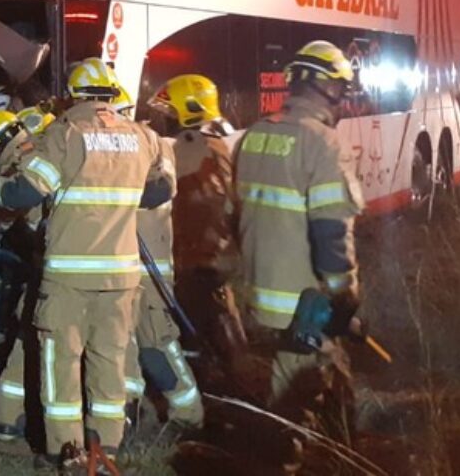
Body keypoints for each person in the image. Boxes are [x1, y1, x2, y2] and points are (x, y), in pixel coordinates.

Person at [0, 58, 173, 472]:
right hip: (120, 277)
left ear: (73, 96)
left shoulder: (65, 135)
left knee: (60, 365)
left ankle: (64, 451)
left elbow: (23, 194)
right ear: (112, 95)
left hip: (68, 279)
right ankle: (107, 451)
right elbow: (159, 192)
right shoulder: (143, 137)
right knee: (109, 363)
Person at [233, 41, 362, 423]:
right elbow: (331, 232)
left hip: (261, 292)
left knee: (330, 367)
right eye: (341, 88)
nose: (342, 99)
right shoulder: (323, 144)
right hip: (303, 301)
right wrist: (344, 292)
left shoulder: (253, 135)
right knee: (293, 393)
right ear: (327, 86)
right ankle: (283, 454)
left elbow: (234, 215)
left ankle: (345, 441)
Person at [148, 74, 249, 391]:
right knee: (220, 326)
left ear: (186, 113)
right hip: (213, 260)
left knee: (202, 335)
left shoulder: (183, 152)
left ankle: (224, 400)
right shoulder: (216, 147)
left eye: (166, 113)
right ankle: (237, 389)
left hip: (195, 263)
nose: (160, 120)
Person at [119, 87, 205, 433]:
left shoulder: (156, 145)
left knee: (157, 345)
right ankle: (125, 420)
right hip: (118, 268)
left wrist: (111, 193)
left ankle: (189, 417)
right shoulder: (111, 145)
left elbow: (161, 189)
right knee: (119, 346)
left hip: (151, 271)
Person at [0, 107, 52, 441]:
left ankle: (10, 423)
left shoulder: (16, 167)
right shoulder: (46, 147)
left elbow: (2, 218)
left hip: (53, 265)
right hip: (84, 260)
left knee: (31, 337)